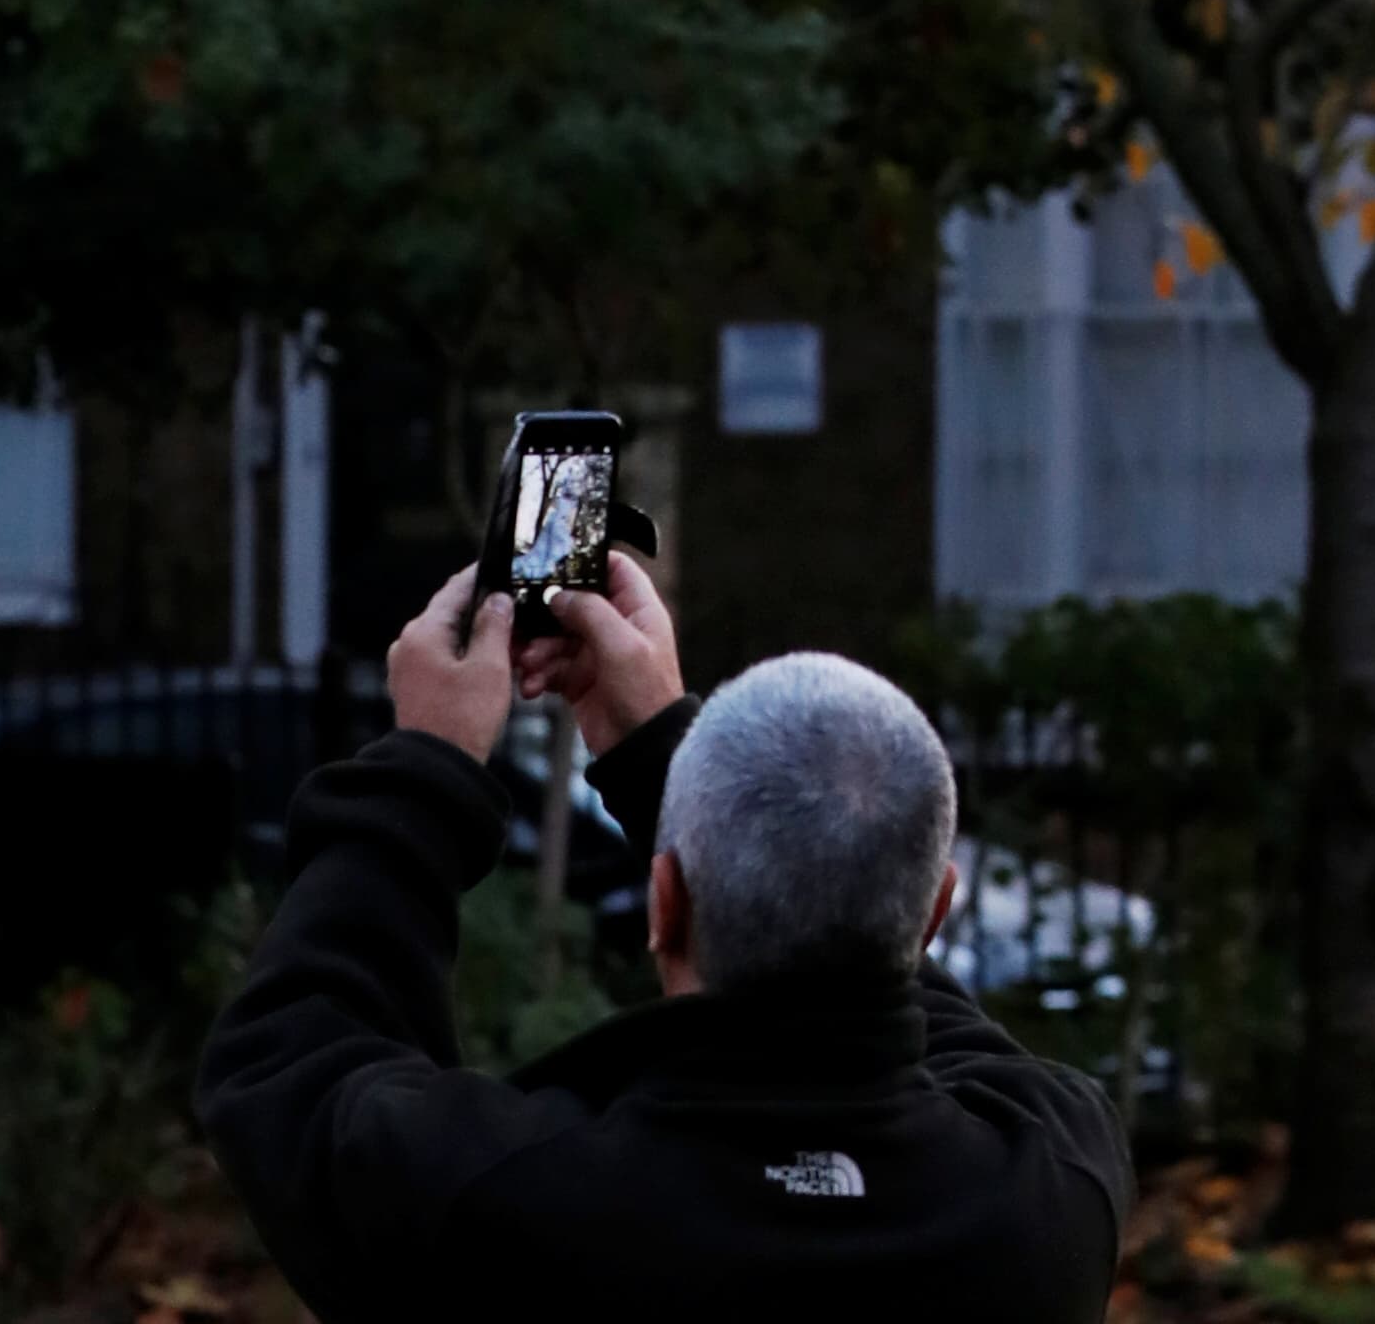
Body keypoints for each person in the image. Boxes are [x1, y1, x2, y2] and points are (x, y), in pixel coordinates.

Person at [197, 555, 1129, 1320]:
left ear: (663, 902)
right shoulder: (1052, 1199)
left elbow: (287, 1062)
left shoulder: (515, 1205)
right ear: (936, 913)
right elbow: (925, 1021)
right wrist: (658, 754)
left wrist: (428, 764)